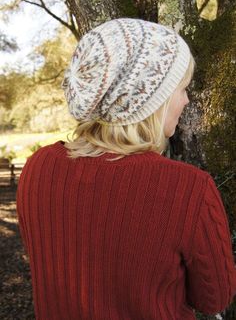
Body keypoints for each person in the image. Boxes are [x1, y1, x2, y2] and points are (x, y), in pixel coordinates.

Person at [16, 18, 236, 320]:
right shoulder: (188, 189)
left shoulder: (38, 169)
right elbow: (214, 299)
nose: (186, 100)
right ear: (150, 100)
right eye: (182, 88)